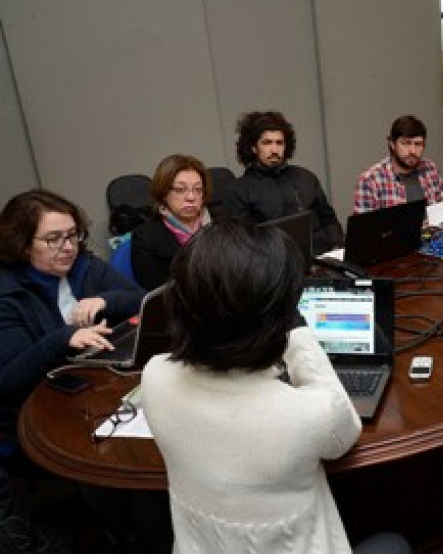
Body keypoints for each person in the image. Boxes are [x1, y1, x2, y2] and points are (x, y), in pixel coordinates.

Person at [141, 219, 411, 554]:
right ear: (279, 319)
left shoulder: (154, 377)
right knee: (394, 543)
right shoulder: (306, 414)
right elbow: (345, 430)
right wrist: (298, 335)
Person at [0, 189, 145, 552]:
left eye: (72, 235)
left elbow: (145, 298)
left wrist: (106, 299)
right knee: (107, 458)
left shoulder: (85, 265)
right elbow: (10, 379)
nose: (68, 247)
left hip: (90, 386)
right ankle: (122, 534)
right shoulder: (7, 293)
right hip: (36, 409)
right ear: (22, 245)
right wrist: (63, 338)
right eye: (53, 239)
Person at [224, 110, 345, 255]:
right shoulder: (239, 190)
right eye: (267, 143)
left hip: (325, 261)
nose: (274, 150)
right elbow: (243, 244)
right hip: (275, 267)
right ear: (253, 147)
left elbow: (329, 219)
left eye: (279, 143)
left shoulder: (306, 177)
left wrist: (339, 250)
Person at [131, 153, 217, 291]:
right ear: (164, 193)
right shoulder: (145, 238)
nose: (191, 197)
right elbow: (157, 292)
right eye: (180, 189)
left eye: (198, 189)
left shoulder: (222, 223)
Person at [354, 115, 443, 214]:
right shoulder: (370, 180)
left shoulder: (431, 169)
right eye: (406, 143)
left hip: (432, 229)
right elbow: (365, 228)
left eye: (418, 144)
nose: (413, 151)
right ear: (392, 144)